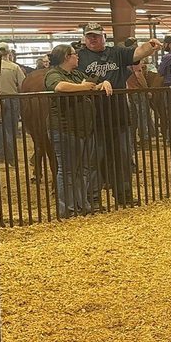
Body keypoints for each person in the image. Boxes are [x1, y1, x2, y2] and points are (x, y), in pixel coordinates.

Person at [77, 22, 161, 208]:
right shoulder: (80, 57)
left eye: (96, 35)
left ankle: (124, 194)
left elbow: (137, 53)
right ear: (84, 38)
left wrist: (150, 45)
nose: (92, 39)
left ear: (104, 37)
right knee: (94, 158)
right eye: (89, 36)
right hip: (93, 116)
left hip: (118, 114)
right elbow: (77, 80)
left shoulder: (117, 53)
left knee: (122, 157)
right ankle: (94, 198)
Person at [45, 44, 111, 218]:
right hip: (65, 128)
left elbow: (91, 84)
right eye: (74, 54)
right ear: (66, 57)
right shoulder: (54, 73)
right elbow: (59, 87)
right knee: (67, 170)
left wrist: (103, 83)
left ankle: (82, 204)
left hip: (84, 128)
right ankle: (67, 208)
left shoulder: (77, 74)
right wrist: (84, 87)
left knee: (83, 169)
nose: (78, 57)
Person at [0, 42, 26, 161]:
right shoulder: (14, 67)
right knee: (10, 128)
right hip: (11, 99)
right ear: (9, 53)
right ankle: (11, 156)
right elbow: (23, 84)